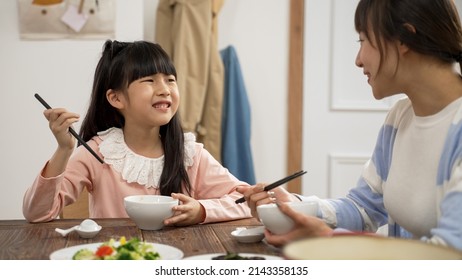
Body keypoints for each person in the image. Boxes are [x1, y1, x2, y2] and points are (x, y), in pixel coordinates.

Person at [238, 0, 462, 251]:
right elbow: (363, 207)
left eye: (363, 40)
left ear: (404, 39)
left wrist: (330, 242)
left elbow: (449, 255)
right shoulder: (399, 118)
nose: (358, 59)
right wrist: (295, 208)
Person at [23, 40, 252, 226]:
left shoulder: (190, 154)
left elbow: (245, 201)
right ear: (116, 98)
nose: (164, 90)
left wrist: (201, 210)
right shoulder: (100, 152)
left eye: (170, 80)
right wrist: (64, 149)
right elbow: (37, 213)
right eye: (149, 81)